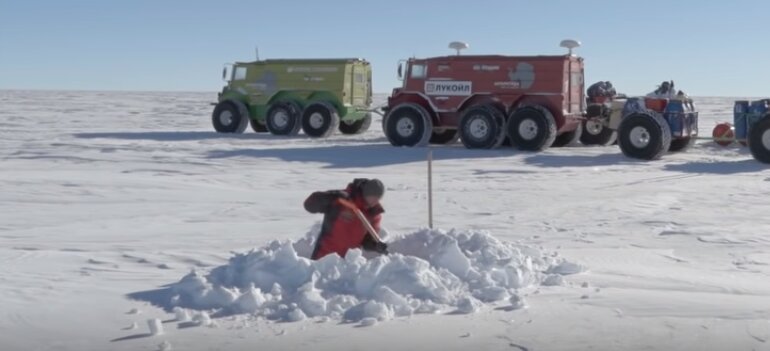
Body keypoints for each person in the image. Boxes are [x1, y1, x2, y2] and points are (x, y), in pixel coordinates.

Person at [304, 178, 388, 260]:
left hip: (348, 264)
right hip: (324, 258)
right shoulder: (342, 200)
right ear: (366, 193)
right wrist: (331, 197)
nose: (375, 202)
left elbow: (366, 242)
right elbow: (309, 205)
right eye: (373, 197)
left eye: (378, 199)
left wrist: (375, 246)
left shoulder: (373, 214)